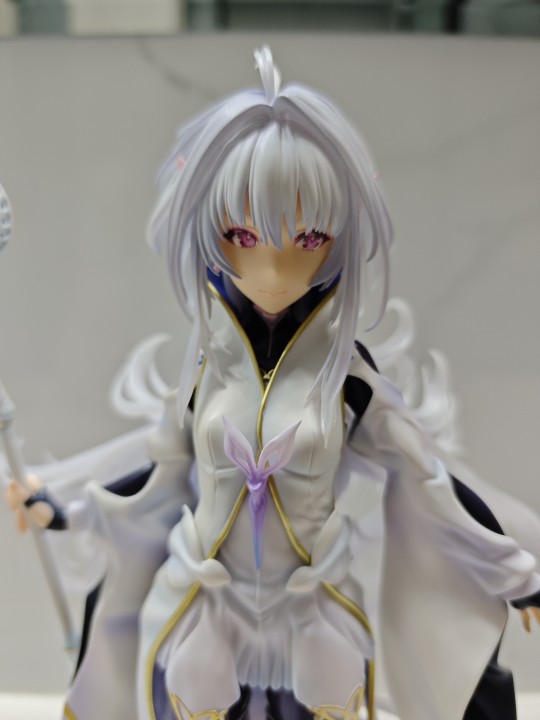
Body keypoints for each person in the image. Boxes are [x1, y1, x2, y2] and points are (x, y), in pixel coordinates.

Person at [6, 47, 540, 720]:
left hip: (311, 602)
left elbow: (431, 483)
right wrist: (62, 506)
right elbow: (157, 471)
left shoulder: (346, 379)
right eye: (242, 234)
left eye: (308, 238)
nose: (273, 269)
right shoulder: (208, 368)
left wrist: (517, 574)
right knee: (193, 691)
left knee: (330, 693)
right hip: (209, 599)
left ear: (338, 239)